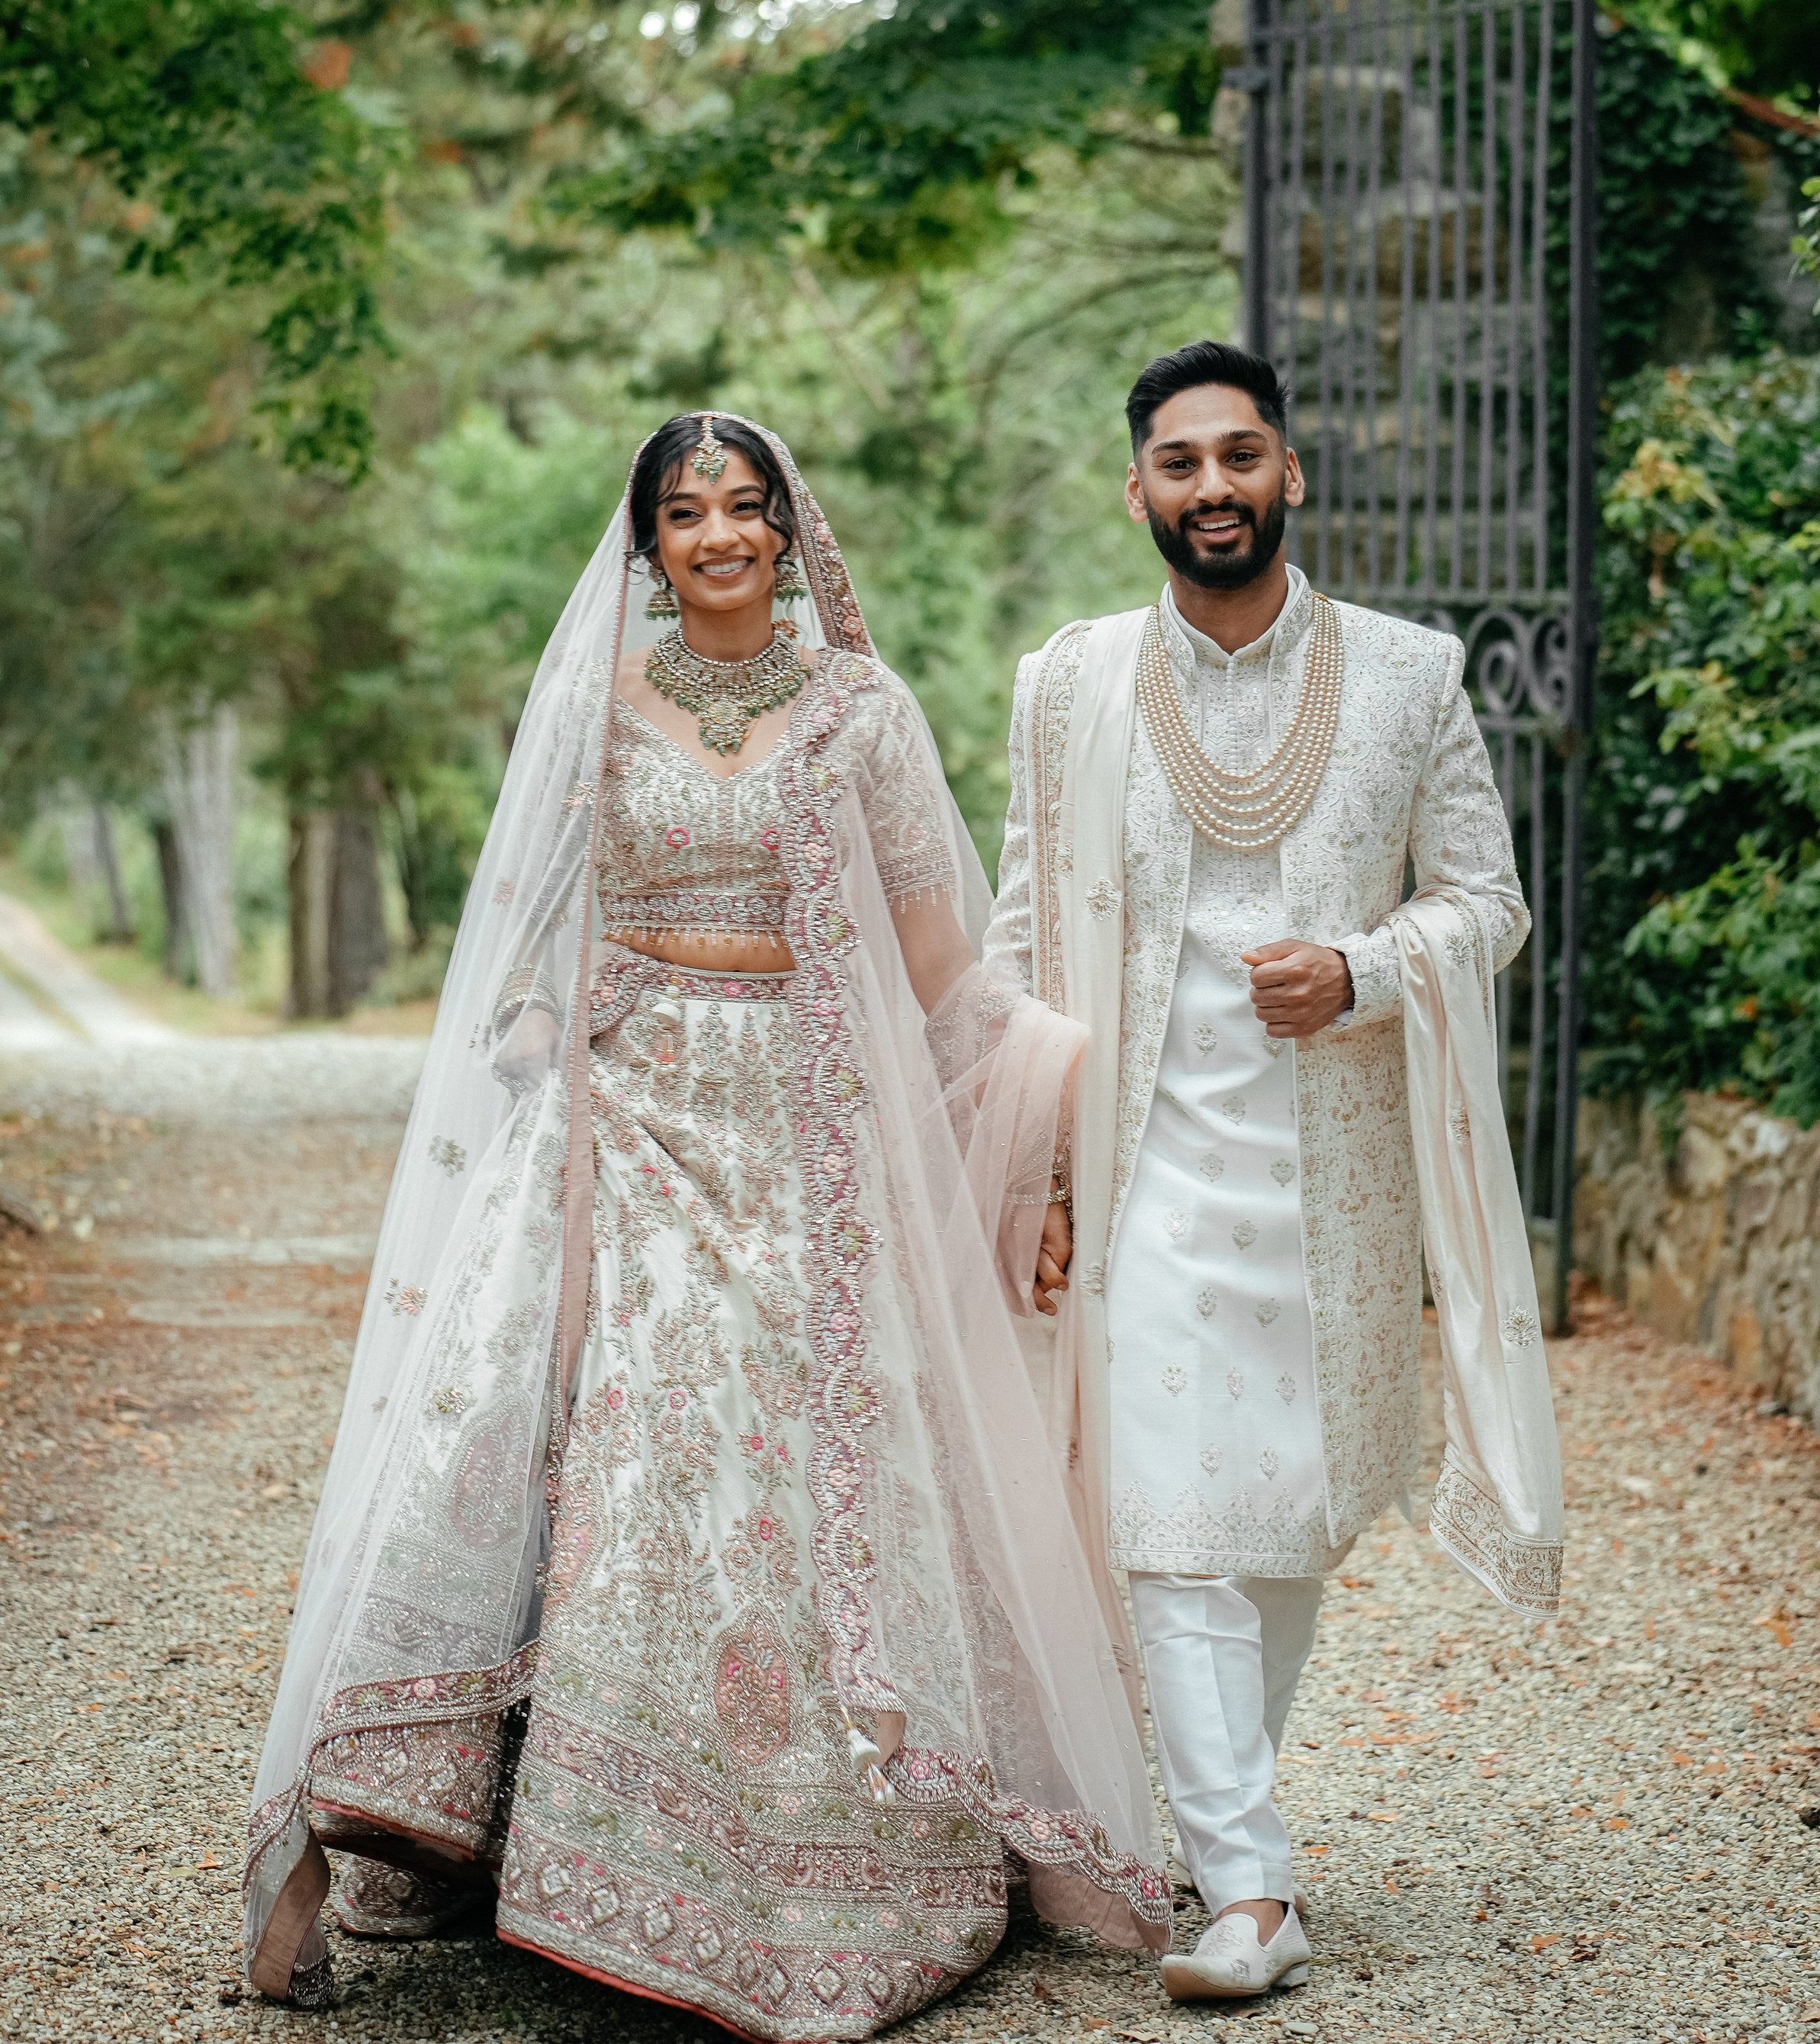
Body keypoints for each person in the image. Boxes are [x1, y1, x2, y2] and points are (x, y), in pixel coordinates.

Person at [243, 414, 1170, 2029]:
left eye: (747, 506)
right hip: (625, 1109)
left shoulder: (863, 710)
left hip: (811, 1131)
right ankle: (412, 1830)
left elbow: (940, 967)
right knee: (538, 1434)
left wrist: (1052, 1120)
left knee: (787, 1463)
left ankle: (781, 1875)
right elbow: (531, 932)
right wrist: (548, 1045)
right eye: (688, 512)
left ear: (789, 532)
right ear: (650, 544)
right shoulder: (592, 707)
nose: (722, 533)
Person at [986, 343, 1564, 2003]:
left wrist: (1363, 970)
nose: (1213, 486)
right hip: (1144, 1164)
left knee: (1282, 1527)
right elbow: (1023, 933)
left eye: (1240, 455)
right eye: (1179, 463)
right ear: (1137, 492)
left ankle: (1213, 1824)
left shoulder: (1408, 675)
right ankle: (1246, 1889)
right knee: (1171, 1523)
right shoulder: (1069, 685)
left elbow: (1488, 903)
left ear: (1289, 473)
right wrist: (1032, 1171)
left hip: (1334, 1179)